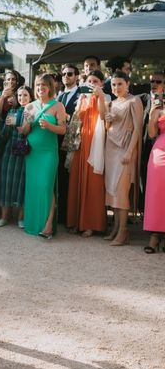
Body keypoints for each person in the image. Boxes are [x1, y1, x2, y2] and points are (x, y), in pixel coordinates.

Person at [21, 73, 67, 238]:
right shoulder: (30, 106)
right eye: (38, 85)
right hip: (32, 152)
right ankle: (32, 223)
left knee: (46, 186)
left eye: (44, 85)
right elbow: (24, 132)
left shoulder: (58, 106)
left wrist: (49, 126)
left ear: (50, 87)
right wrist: (26, 122)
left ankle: (48, 226)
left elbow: (63, 130)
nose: (40, 88)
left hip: (48, 152)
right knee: (33, 187)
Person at [65, 71, 110, 237]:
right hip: (80, 142)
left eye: (95, 81)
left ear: (102, 83)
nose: (92, 83)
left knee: (93, 182)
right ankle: (76, 221)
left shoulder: (106, 98)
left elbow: (104, 117)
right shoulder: (82, 98)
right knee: (77, 180)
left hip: (95, 143)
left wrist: (99, 96)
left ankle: (91, 223)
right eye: (89, 81)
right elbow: (76, 120)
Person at [104, 71, 143, 246]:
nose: (116, 87)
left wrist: (129, 151)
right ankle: (115, 228)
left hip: (125, 149)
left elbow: (137, 129)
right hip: (111, 148)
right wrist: (108, 119)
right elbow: (108, 128)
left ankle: (123, 231)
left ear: (127, 84)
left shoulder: (134, 101)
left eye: (120, 84)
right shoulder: (111, 103)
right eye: (113, 85)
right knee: (112, 191)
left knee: (121, 191)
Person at [0, 85, 32, 228]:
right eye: (20, 95)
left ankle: (20, 218)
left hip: (28, 152)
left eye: (25, 95)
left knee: (22, 184)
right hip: (10, 151)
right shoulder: (12, 111)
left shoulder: (34, 111)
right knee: (6, 182)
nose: (22, 98)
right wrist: (6, 125)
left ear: (30, 97)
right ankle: (4, 217)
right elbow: (4, 135)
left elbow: (34, 133)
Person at [56, 64, 81, 225]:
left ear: (77, 76)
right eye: (64, 74)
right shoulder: (59, 96)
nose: (66, 76)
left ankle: (69, 217)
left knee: (70, 180)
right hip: (56, 141)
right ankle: (60, 214)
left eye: (70, 74)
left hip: (74, 142)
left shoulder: (81, 95)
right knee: (59, 179)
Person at [143, 87, 165, 253]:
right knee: (157, 194)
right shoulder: (159, 108)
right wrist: (152, 115)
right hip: (160, 153)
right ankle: (155, 236)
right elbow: (151, 134)